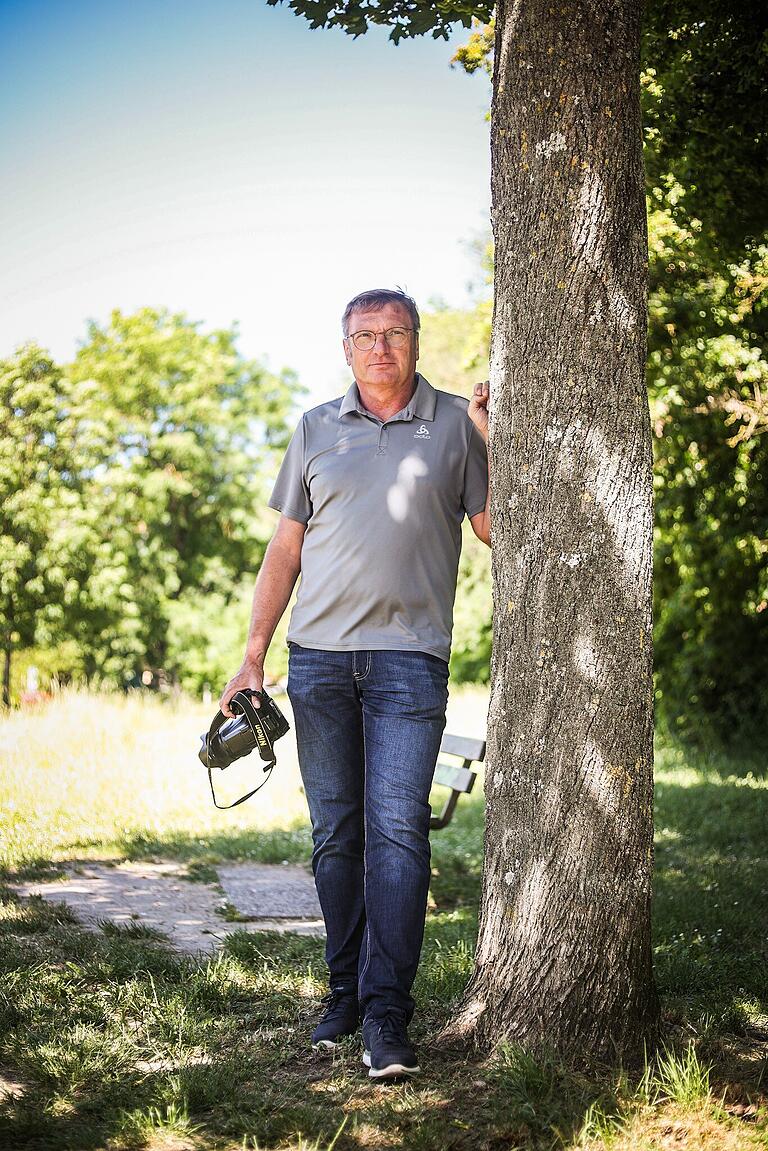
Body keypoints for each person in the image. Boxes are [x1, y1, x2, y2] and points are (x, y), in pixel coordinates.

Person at [220, 287, 491, 1080]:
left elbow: (497, 525)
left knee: (398, 832)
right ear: (346, 348)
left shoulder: (452, 423)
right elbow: (285, 550)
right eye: (365, 335)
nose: (380, 347)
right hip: (319, 662)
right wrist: (252, 656)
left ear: (416, 341)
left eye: (395, 333)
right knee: (336, 834)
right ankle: (343, 992)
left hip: (411, 662)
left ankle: (386, 1014)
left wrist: (492, 436)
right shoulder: (314, 427)